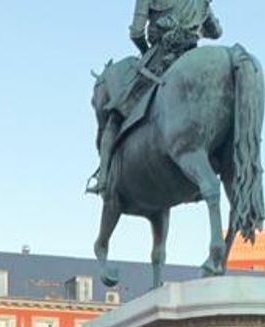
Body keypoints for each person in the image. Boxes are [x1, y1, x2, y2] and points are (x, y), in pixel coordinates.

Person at [88, 0, 222, 195]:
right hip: (191, 53)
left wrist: (145, 51)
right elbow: (217, 32)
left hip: (160, 58)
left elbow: (136, 33)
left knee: (116, 113)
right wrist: (193, 28)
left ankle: (104, 178)